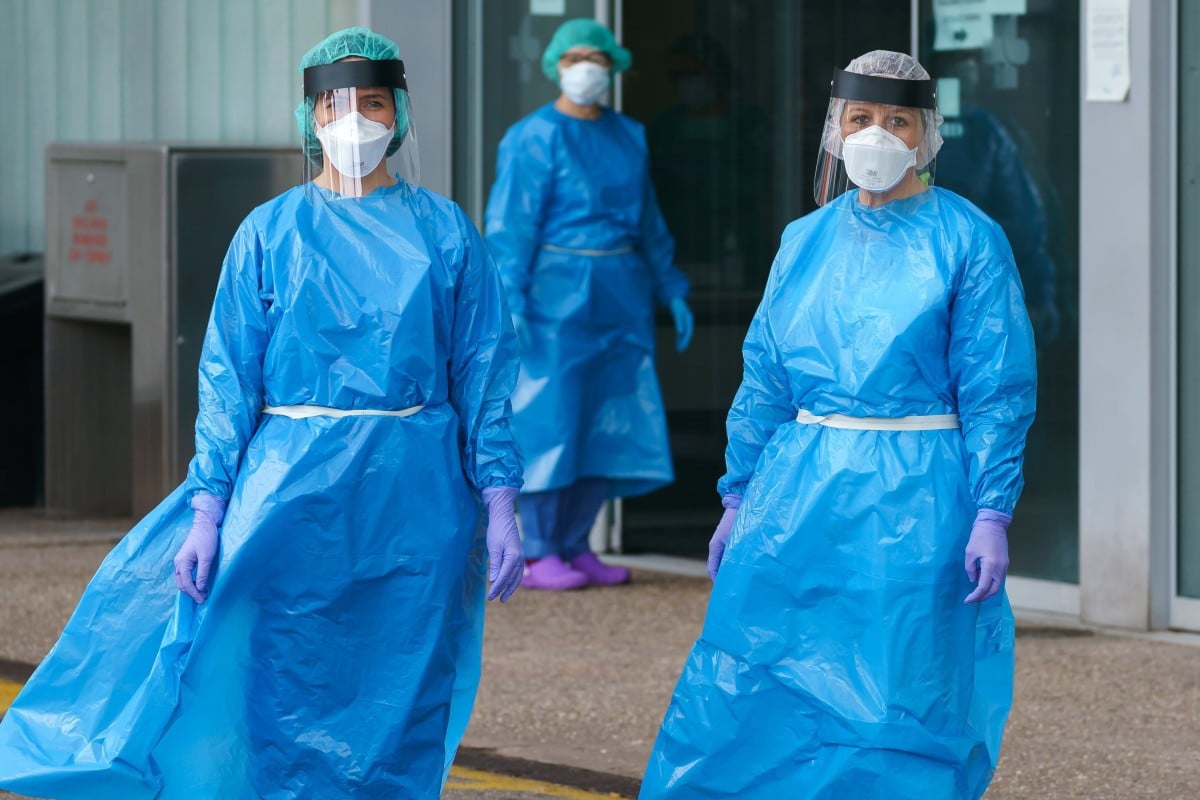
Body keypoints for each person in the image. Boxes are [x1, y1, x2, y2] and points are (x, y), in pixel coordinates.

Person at [0, 26, 523, 800]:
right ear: (309, 119)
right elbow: (229, 381)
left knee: (403, 675)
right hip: (291, 495)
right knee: (286, 672)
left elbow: (483, 369)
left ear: (400, 114)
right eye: (336, 106)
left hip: (415, 498)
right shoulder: (270, 233)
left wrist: (502, 493)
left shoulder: (445, 233)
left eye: (372, 103)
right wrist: (210, 505)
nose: (354, 122)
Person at [639, 50, 1037, 799]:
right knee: (757, 677)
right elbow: (765, 377)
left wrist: (990, 508)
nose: (876, 135)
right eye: (860, 119)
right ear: (834, 129)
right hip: (798, 494)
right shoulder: (806, 239)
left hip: (916, 498)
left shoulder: (967, 240)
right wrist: (737, 492)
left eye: (896, 120)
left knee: (902, 688)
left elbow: (996, 387)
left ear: (928, 134)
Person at [484, 18, 694, 591]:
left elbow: (648, 219)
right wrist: (513, 299)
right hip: (555, 295)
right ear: (556, 64)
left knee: (608, 421)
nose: (587, 69)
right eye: (576, 57)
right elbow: (510, 227)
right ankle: (533, 551)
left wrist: (670, 286)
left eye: (596, 58)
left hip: (620, 291)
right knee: (552, 416)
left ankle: (575, 542)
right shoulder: (532, 136)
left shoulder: (629, 135)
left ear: (614, 66)